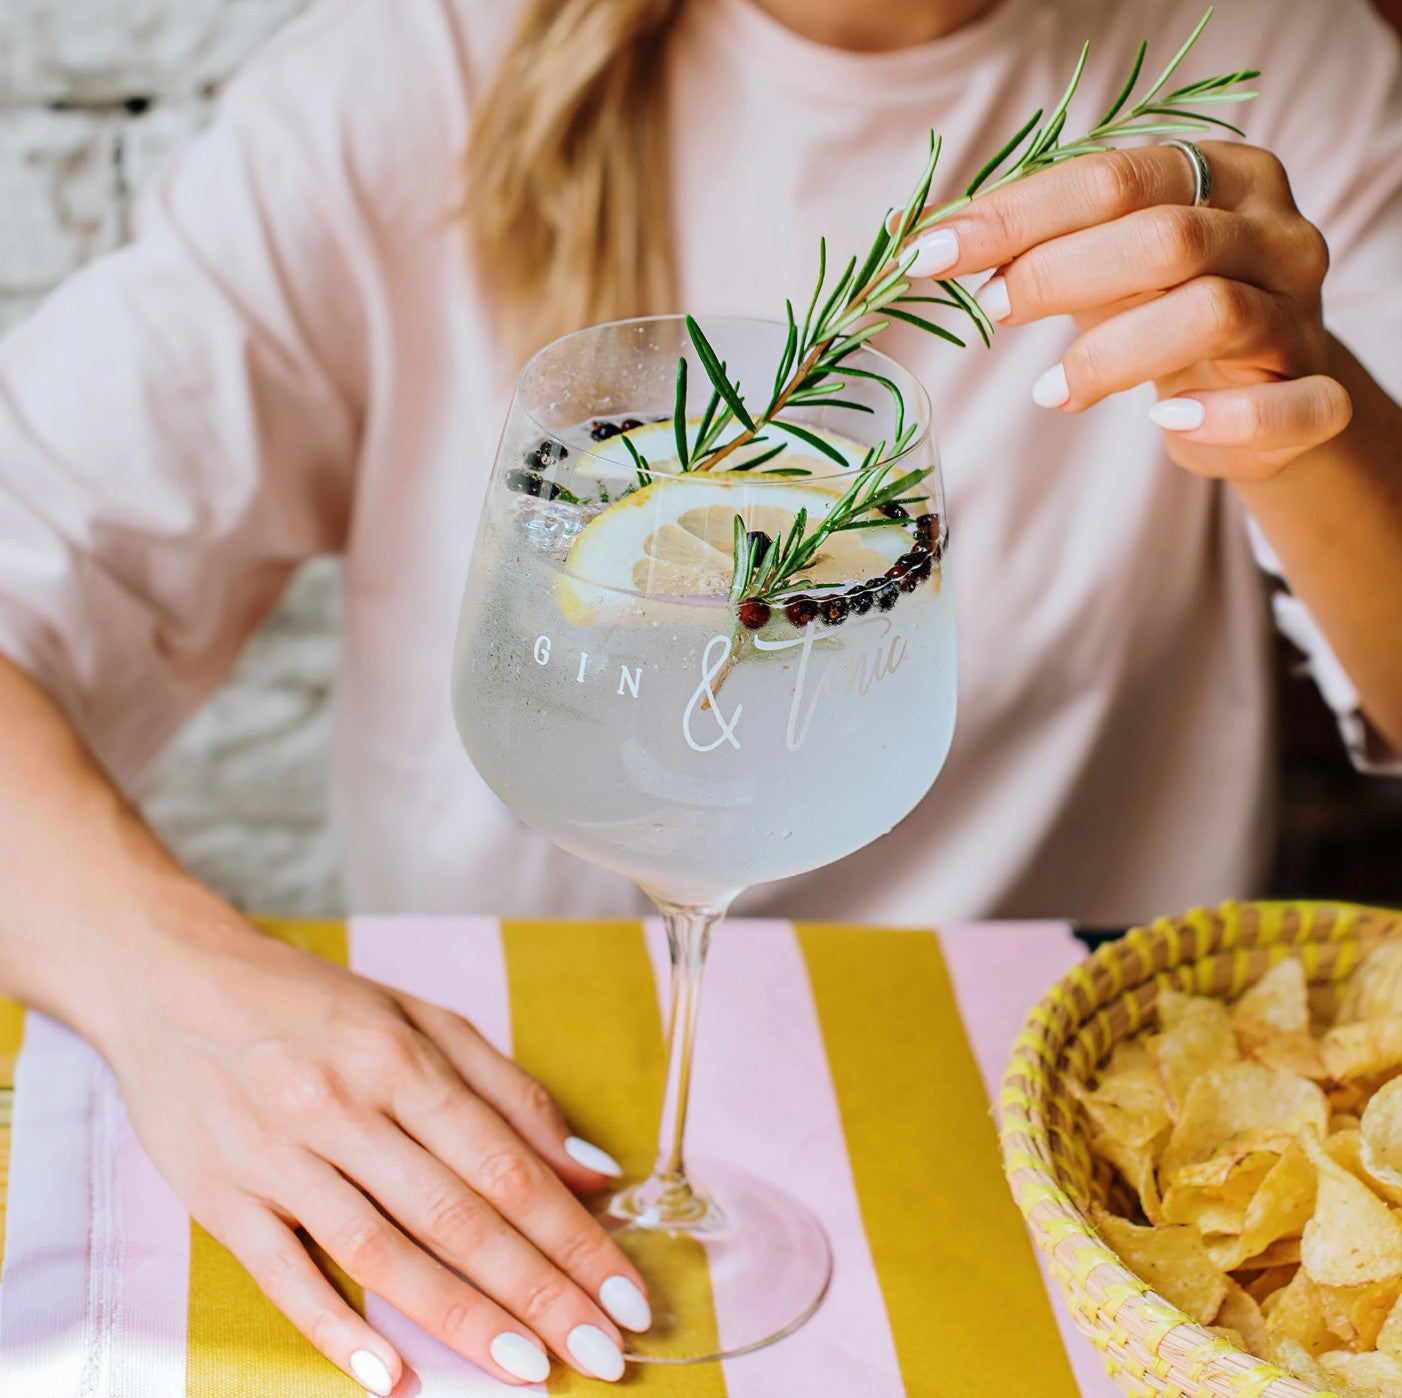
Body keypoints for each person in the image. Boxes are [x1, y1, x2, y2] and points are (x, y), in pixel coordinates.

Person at [1, 0, 1400, 1387]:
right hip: (508, 1105)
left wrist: (1305, 411)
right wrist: (166, 975)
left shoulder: (1278, 64)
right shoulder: (405, 79)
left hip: (1048, 1160)